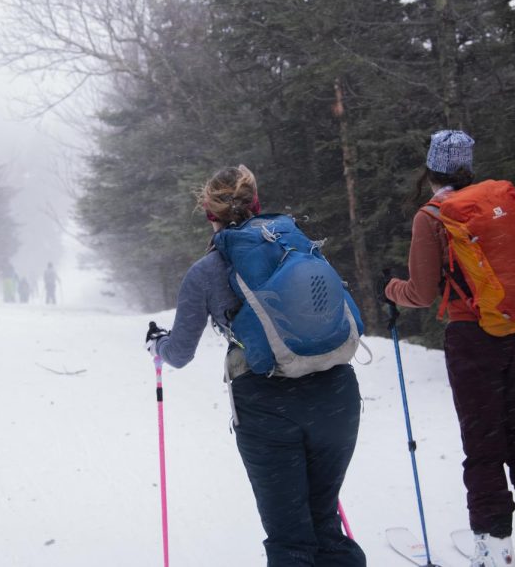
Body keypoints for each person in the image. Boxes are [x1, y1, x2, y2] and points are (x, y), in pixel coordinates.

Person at [381, 131, 515, 567]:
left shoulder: (433, 215)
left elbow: (419, 293)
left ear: (431, 168)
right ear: (467, 167)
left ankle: (495, 554)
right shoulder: (498, 203)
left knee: (484, 446)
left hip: (474, 339)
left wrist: (390, 288)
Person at [145, 165, 365, 567]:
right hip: (337, 396)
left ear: (210, 214)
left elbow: (179, 353)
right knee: (325, 524)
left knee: (291, 540)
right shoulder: (297, 246)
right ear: (257, 203)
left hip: (267, 406)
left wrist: (157, 346)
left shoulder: (206, 272)